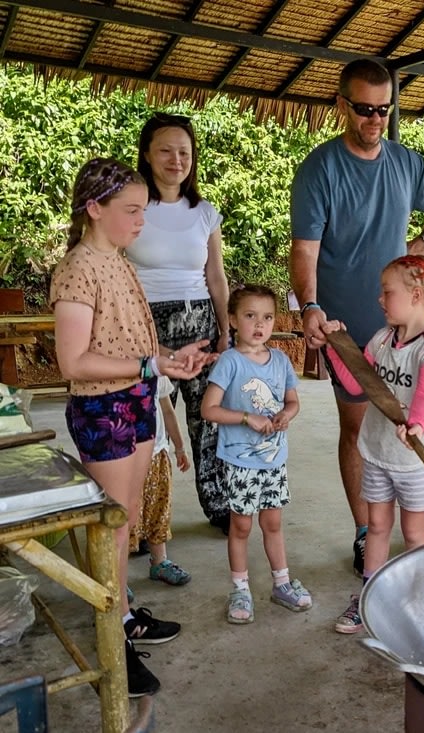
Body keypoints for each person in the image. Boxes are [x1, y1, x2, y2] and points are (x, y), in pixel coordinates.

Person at [51, 157, 216, 696]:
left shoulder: (118, 260)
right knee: (115, 529)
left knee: (128, 520)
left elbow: (129, 344)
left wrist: (168, 359)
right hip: (105, 410)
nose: (141, 221)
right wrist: (150, 366)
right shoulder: (79, 268)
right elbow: (74, 362)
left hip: (136, 401)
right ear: (94, 209)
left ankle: (121, 616)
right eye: (131, 210)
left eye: (143, 210)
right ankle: (111, 643)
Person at [290, 58, 424, 577]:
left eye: (383, 110)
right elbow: (304, 251)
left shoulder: (406, 164)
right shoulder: (320, 169)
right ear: (342, 105)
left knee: (414, 421)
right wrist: (312, 306)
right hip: (349, 324)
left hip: (405, 323)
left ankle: (420, 513)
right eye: (364, 109)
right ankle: (368, 529)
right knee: (359, 427)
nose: (374, 119)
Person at [319, 255, 424, 634]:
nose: (380, 300)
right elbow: (354, 384)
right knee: (377, 526)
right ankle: (369, 597)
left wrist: (416, 424)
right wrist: (336, 344)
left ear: (415, 295)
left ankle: (420, 600)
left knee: (415, 533)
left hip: (414, 461)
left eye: (387, 292)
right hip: (377, 454)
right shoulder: (381, 340)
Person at [126, 112, 231, 534]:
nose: (176, 160)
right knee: (143, 420)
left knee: (207, 418)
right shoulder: (132, 206)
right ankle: (136, 520)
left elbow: (216, 277)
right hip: (145, 325)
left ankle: (219, 505)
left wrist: (226, 332)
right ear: (147, 155)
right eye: (166, 150)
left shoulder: (204, 212)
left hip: (200, 321)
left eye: (184, 152)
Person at [201, 285, 312, 624]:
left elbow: (293, 402)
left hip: (273, 460)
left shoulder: (279, 360)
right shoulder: (230, 362)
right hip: (239, 462)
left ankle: (281, 583)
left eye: (267, 317)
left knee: (273, 523)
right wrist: (248, 417)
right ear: (233, 320)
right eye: (250, 316)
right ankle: (240, 589)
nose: (259, 324)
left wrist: (284, 416)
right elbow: (209, 409)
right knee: (241, 527)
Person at [128, 375, 192, 587]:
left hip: (157, 453)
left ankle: (160, 562)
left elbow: (168, 411)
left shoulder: (156, 373)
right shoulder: (111, 374)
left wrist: (180, 447)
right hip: (124, 459)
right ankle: (117, 577)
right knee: (126, 515)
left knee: (159, 508)